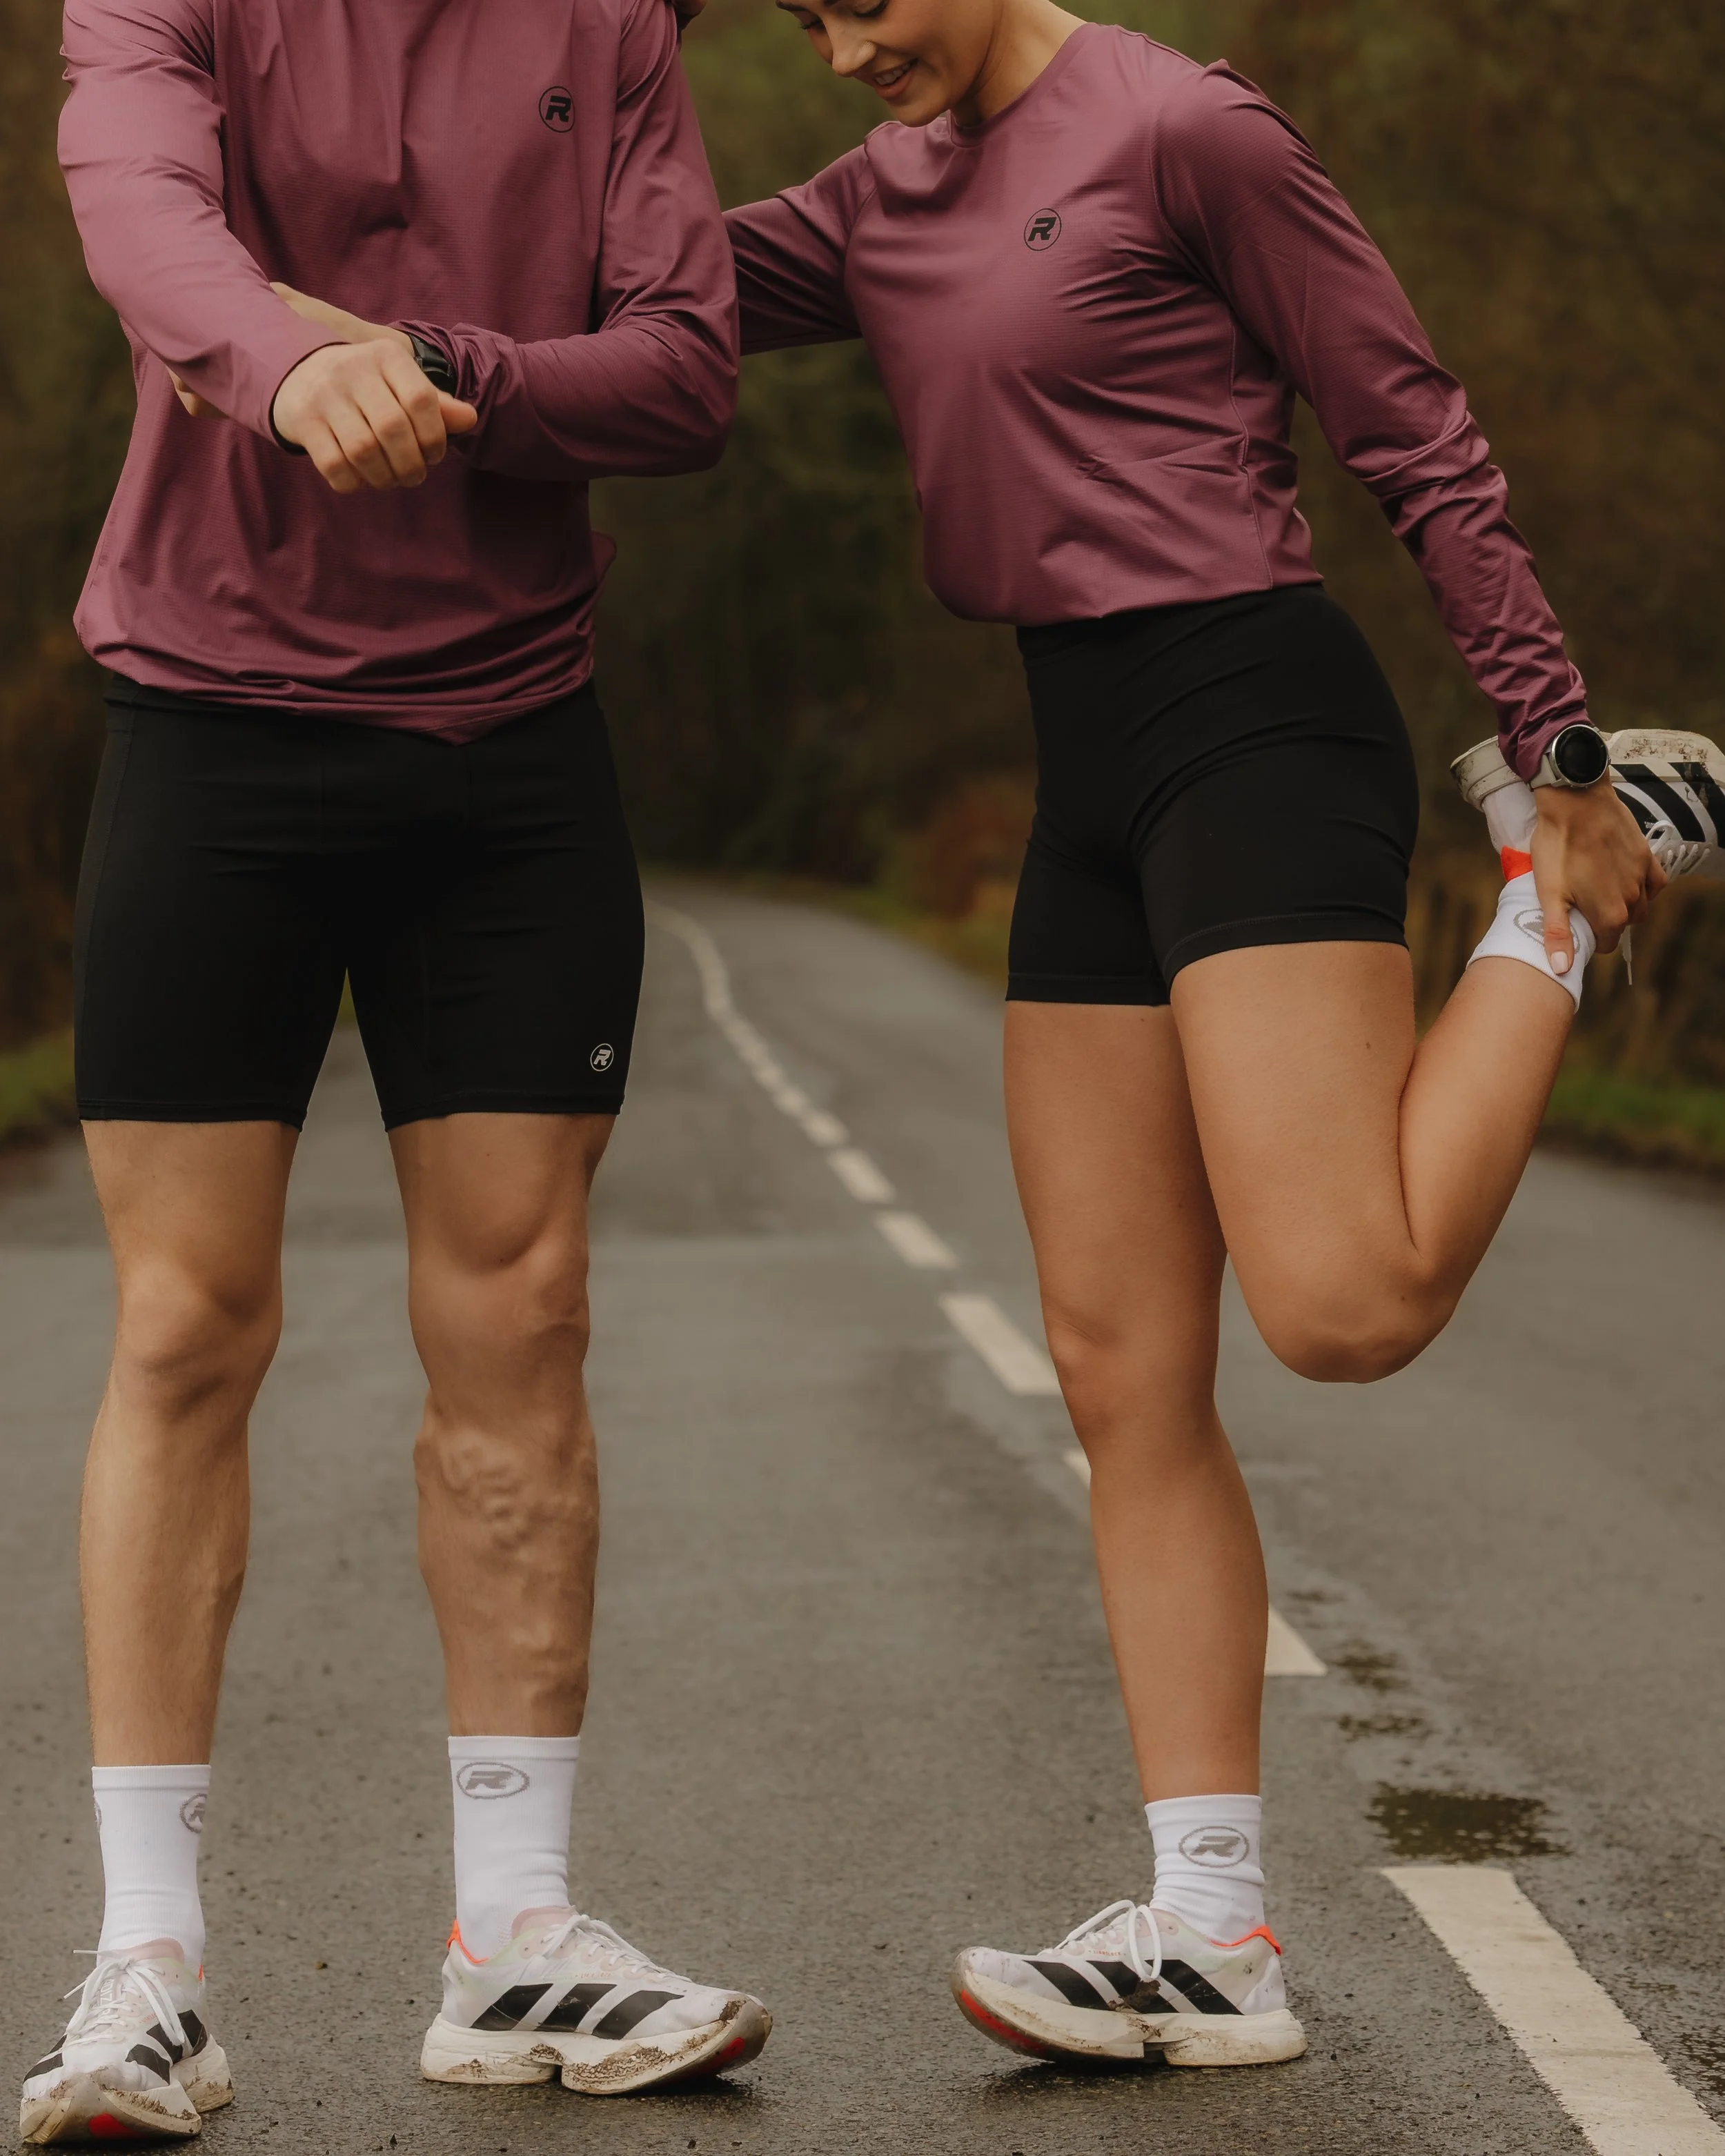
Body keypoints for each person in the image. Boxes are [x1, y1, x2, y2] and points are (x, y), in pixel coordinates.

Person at [717, 0, 1720, 2071]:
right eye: (797, 14)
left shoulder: (1184, 128)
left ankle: (1545, 914)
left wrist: (1555, 751)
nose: (836, 50)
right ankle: (1207, 1933)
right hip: (1075, 755)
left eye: (859, 2)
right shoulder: (875, 191)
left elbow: (1411, 433)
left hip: (1252, 723)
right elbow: (629, 291)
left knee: (1338, 1304)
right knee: (1115, 1367)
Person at [22, 0, 768, 2141]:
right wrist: (286, 356)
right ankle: (144, 1971)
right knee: (184, 1323)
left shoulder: (612, 22)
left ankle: (515, 1942)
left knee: (521, 1315)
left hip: (510, 751)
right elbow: (138, 207)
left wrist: (445, 366)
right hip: (209, 723)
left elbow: (688, 361)